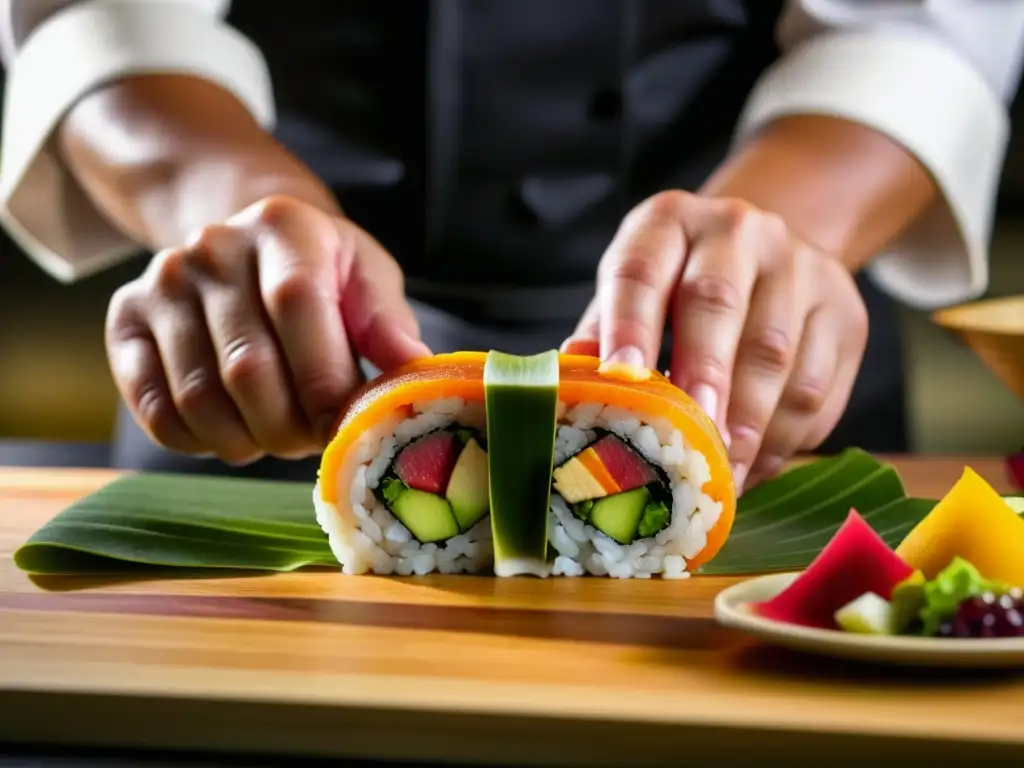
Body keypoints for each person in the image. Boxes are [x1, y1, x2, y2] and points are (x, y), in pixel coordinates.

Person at [1, 1, 1022, 494]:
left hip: (742, 364)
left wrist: (780, 237)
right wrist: (234, 206)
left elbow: (917, 33)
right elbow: (98, 18)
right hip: (261, 354)